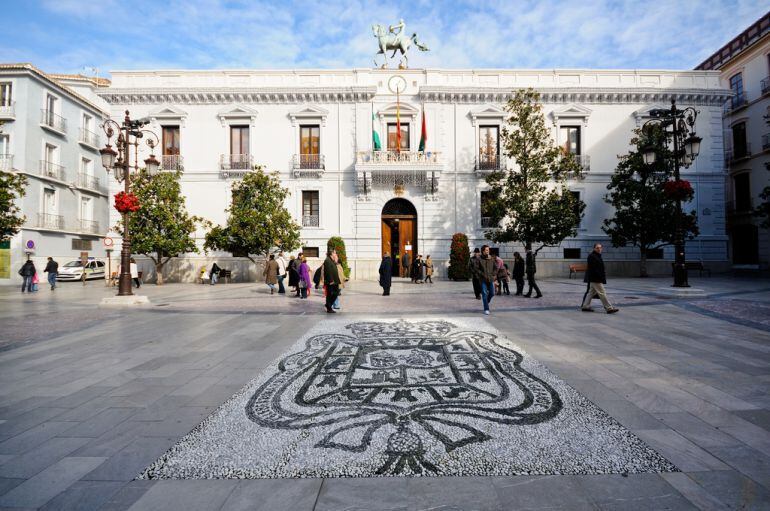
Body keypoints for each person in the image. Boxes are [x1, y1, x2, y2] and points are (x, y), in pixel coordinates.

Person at [581, 243, 619, 314]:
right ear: (594, 248)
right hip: (596, 278)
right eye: (597, 248)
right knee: (602, 292)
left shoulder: (597, 256)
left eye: (600, 248)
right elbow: (594, 269)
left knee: (590, 293)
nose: (599, 249)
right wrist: (600, 277)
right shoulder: (592, 256)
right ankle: (609, 308)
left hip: (594, 278)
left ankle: (585, 306)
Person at [472, 245, 497, 315]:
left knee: (492, 293)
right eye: (486, 250)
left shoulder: (491, 258)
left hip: (491, 279)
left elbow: (496, 267)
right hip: (483, 279)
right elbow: (476, 268)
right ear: (483, 251)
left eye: (488, 250)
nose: (488, 251)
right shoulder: (479, 259)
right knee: (484, 294)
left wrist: (494, 274)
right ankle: (486, 308)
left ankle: (486, 301)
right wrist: (482, 274)